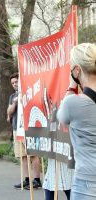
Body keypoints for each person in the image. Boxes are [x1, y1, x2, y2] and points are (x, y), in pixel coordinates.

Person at [57, 43, 96, 200]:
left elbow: (61, 121)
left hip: (87, 181)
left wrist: (72, 85)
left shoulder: (72, 103)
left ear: (77, 70)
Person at [7, 73, 42, 190]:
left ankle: (37, 179)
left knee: (33, 154)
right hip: (17, 128)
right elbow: (9, 112)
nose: (14, 84)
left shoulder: (29, 92)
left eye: (16, 82)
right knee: (22, 155)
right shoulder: (12, 96)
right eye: (12, 83)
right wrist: (15, 102)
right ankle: (26, 179)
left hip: (28, 128)